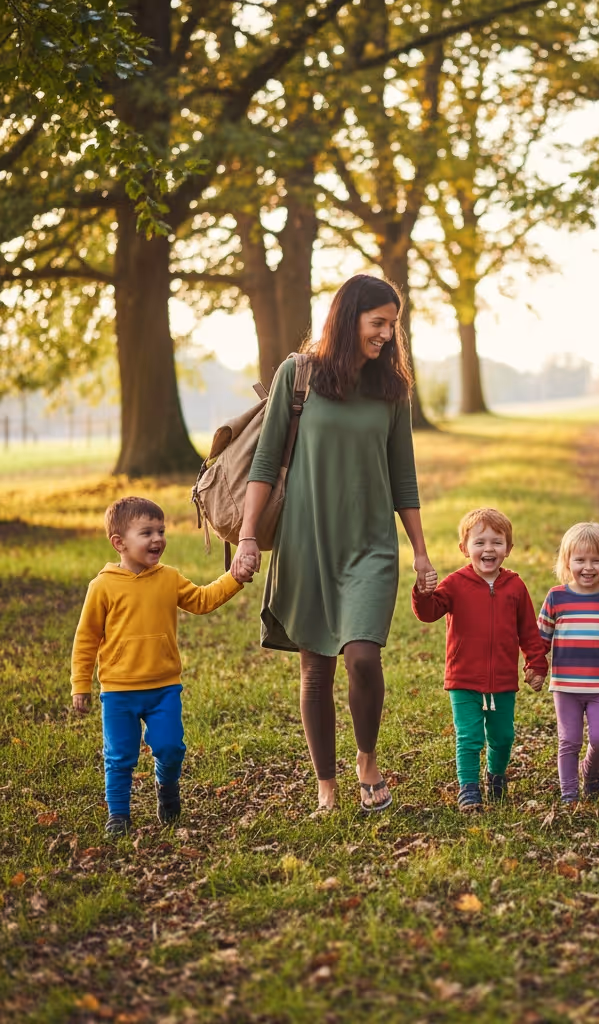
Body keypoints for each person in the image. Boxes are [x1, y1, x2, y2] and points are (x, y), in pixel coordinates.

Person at [231, 275, 435, 814]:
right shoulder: (296, 376)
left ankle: (366, 759)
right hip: (306, 541)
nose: (389, 335)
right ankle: (327, 785)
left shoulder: (393, 389)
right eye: (379, 323)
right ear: (350, 319)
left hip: (370, 544)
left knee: (363, 656)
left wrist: (419, 549)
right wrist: (248, 536)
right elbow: (266, 461)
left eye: (393, 325)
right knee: (316, 669)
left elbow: (403, 477)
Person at [71, 496, 249, 835]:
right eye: (147, 532)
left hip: (163, 688)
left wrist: (234, 577)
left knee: (170, 746)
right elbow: (86, 638)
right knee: (119, 756)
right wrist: (81, 684)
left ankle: (166, 788)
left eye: (161, 531)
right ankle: (119, 816)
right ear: (119, 543)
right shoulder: (103, 587)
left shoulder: (169, 578)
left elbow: (201, 600)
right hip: (119, 691)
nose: (158, 539)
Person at [412, 507, 548, 811]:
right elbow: (429, 612)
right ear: (464, 548)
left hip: (501, 680)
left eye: (497, 542)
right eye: (480, 542)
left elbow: (528, 630)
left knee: (502, 736)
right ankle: (469, 788)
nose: (489, 549)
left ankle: (496, 776)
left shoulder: (515, 587)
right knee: (469, 736)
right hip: (463, 678)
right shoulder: (455, 584)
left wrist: (536, 664)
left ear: (508, 549)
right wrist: (423, 592)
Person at [537, 522, 599, 805]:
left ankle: (590, 769)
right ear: (567, 561)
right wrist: (535, 667)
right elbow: (541, 639)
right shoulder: (556, 597)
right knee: (569, 741)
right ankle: (569, 794)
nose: (588, 567)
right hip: (566, 686)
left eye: (596, 560)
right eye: (580, 560)